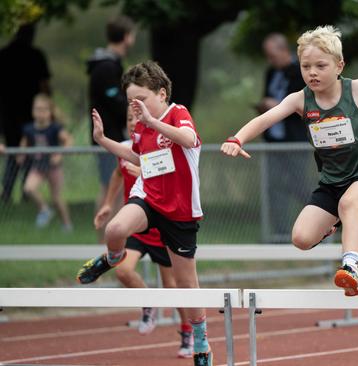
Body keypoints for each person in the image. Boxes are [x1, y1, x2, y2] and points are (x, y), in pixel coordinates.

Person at [221, 25, 358, 296]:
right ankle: (335, 225)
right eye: (305, 66)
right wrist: (236, 139)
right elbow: (265, 119)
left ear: (339, 65)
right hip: (332, 182)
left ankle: (350, 268)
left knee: (349, 204)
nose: (312, 73)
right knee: (301, 238)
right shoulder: (300, 100)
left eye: (320, 66)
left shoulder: (357, 90)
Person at [76, 61, 212, 365]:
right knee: (114, 230)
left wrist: (152, 120)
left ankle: (201, 341)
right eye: (130, 102)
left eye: (141, 100)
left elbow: (190, 140)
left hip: (180, 212)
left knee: (185, 284)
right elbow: (135, 155)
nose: (135, 108)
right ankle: (111, 258)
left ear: (161, 94)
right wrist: (102, 140)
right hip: (149, 198)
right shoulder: (142, 128)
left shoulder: (177, 113)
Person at [93, 105, 193, 358]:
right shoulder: (126, 148)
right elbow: (117, 174)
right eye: (128, 118)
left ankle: (187, 330)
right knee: (124, 271)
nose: (132, 121)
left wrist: (145, 171)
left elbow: (171, 174)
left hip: (161, 225)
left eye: (137, 116)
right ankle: (148, 303)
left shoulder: (161, 144)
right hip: (137, 224)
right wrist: (107, 203)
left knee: (173, 287)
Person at [256, 33, 309, 242]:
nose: (270, 60)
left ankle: (321, 223)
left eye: (272, 55)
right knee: (273, 186)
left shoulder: (301, 71)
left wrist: (276, 106)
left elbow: (302, 106)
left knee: (299, 185)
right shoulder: (270, 72)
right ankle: (280, 232)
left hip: (294, 141)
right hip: (273, 141)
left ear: (284, 50)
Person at [87, 15, 136, 232]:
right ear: (127, 37)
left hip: (116, 137)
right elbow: (115, 102)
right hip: (108, 138)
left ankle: (114, 239)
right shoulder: (105, 67)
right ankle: (105, 242)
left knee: (117, 187)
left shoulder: (113, 65)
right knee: (110, 188)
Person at [0, 23, 51, 204]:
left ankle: (11, 192)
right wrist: (48, 104)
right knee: (26, 151)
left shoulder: (4, 54)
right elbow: (45, 86)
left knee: (13, 152)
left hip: (12, 113)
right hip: (25, 113)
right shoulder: (35, 55)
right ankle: (23, 192)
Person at [17, 93, 73, 231]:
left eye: (44, 109)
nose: (40, 112)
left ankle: (66, 224)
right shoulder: (29, 129)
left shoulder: (55, 128)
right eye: (37, 109)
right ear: (32, 111)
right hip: (38, 166)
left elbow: (69, 140)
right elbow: (23, 145)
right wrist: (20, 155)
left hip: (53, 167)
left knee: (56, 198)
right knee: (28, 188)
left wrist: (59, 154)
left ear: (50, 112)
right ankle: (44, 209)